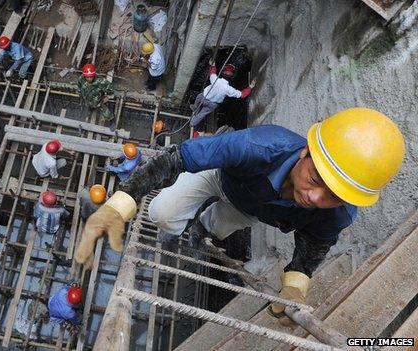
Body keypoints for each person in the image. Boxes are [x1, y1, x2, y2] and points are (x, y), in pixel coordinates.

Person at [74, 108, 405, 326]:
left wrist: (295, 287)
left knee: (212, 230)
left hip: (247, 208)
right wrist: (118, 205)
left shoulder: (338, 213)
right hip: (220, 175)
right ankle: (180, 224)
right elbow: (177, 158)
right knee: (161, 213)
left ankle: (197, 231)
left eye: (333, 196)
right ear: (306, 152)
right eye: (316, 180)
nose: (314, 198)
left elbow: (311, 251)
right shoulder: (258, 146)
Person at [190, 64, 255, 128]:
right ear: (231, 76)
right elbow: (242, 95)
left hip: (203, 98)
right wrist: (250, 87)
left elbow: (212, 72)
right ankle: (192, 123)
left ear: (222, 72)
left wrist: (213, 65)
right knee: (202, 114)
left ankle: (195, 107)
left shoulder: (215, 79)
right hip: (213, 104)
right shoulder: (229, 89)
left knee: (199, 97)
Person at [77, 64, 116, 130]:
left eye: (91, 77)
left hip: (99, 101)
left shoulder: (101, 81)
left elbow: (111, 89)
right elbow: (79, 87)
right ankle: (91, 109)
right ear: (84, 76)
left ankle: (112, 121)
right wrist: (80, 94)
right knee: (89, 106)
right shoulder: (81, 79)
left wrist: (108, 96)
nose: (89, 79)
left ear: (94, 75)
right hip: (88, 99)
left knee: (106, 113)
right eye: (87, 77)